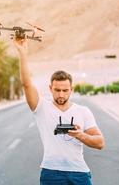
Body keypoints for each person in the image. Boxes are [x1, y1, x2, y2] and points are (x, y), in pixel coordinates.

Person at [13, 38, 105, 185]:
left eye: (65, 90)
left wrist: (80, 135)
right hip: (51, 173)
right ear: (50, 89)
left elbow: (100, 143)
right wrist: (22, 53)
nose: (61, 94)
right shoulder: (42, 107)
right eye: (57, 90)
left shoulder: (83, 111)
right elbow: (26, 84)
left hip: (79, 173)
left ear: (71, 90)